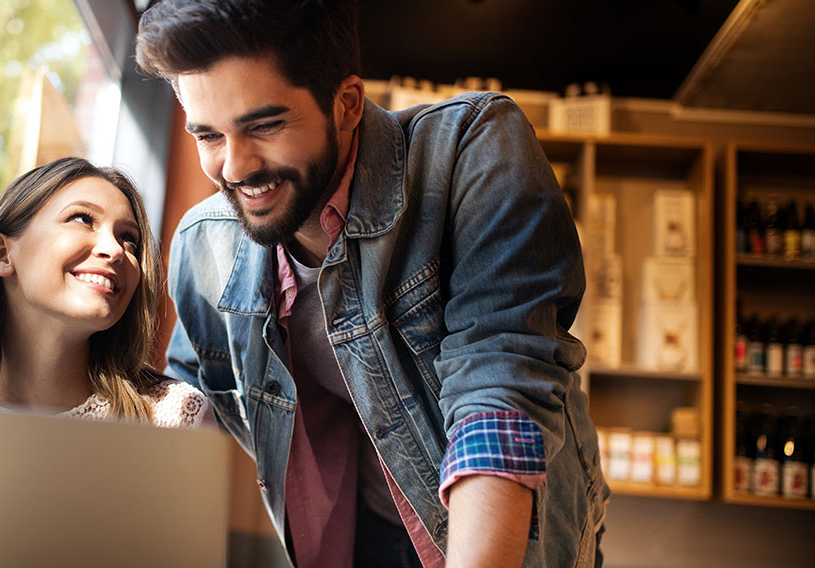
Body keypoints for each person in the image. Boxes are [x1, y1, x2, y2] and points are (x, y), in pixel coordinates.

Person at [136, 1, 608, 567]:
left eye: (264, 125)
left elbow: (499, 385)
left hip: (496, 531)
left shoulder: (470, 150)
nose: (234, 168)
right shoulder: (203, 244)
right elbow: (193, 403)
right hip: (349, 534)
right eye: (209, 135)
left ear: (347, 104)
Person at [0, 157, 207, 429]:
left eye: (128, 238)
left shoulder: (175, 417)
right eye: (82, 219)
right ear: (1, 254)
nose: (116, 250)